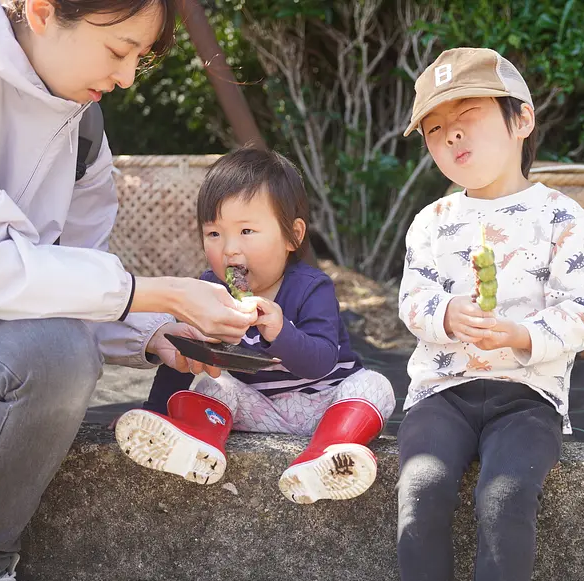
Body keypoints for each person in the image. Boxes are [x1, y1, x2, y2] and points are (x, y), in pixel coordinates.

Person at [0, 1, 259, 581]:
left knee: (60, 353)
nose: (128, 78)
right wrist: (165, 294)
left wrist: (156, 334)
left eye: (139, 58)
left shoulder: (83, 128)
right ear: (43, 11)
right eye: (118, 50)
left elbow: (75, 284)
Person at [395, 47, 584, 581]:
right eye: (436, 129)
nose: (452, 138)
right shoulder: (433, 221)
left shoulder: (561, 215)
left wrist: (523, 334)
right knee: (421, 488)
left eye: (467, 120)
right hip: (442, 392)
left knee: (505, 496)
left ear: (522, 120)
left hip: (527, 397)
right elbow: (412, 300)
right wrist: (445, 314)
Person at [114, 147, 396, 504]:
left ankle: (328, 453)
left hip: (327, 405)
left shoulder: (312, 287)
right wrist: (153, 411)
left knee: (375, 384)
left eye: (246, 230)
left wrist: (281, 332)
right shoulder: (208, 292)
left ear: (293, 236)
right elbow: (185, 355)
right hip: (258, 407)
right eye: (214, 234)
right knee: (213, 384)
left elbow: (322, 360)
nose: (230, 249)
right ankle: (199, 442)